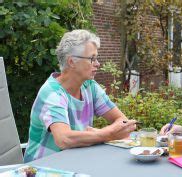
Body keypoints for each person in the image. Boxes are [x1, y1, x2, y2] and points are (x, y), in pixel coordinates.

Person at [24, 29, 137, 162]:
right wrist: (108, 134)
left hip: (76, 162)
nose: (97, 63)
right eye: (92, 59)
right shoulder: (52, 93)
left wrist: (101, 134)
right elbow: (64, 139)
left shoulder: (90, 86)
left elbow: (123, 121)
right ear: (72, 62)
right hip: (42, 168)